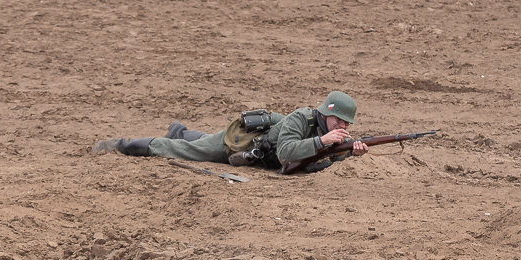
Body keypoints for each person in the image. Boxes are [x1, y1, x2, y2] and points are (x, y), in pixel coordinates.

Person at [91, 90, 371, 172]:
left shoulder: (330, 131)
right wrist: (323, 140)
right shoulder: (302, 119)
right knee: (186, 150)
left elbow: (320, 159)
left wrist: (346, 153)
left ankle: (180, 130)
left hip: (259, 153)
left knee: (201, 142)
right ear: (326, 113)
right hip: (242, 146)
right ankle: (121, 144)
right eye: (340, 120)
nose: (343, 126)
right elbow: (286, 154)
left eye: (347, 124)